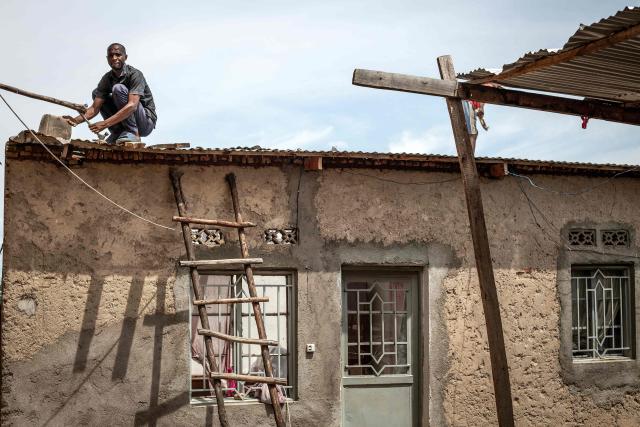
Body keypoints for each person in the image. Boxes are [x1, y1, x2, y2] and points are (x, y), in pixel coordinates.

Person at [64, 43, 157, 144]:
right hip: (124, 122)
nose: (114, 58)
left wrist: (104, 124)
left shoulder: (135, 74)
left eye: (118, 55)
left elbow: (132, 106)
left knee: (118, 88)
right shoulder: (107, 79)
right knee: (97, 94)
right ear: (107, 58)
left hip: (145, 122)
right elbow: (94, 109)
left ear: (125, 57)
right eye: (111, 55)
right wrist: (74, 120)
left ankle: (132, 132)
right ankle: (118, 132)